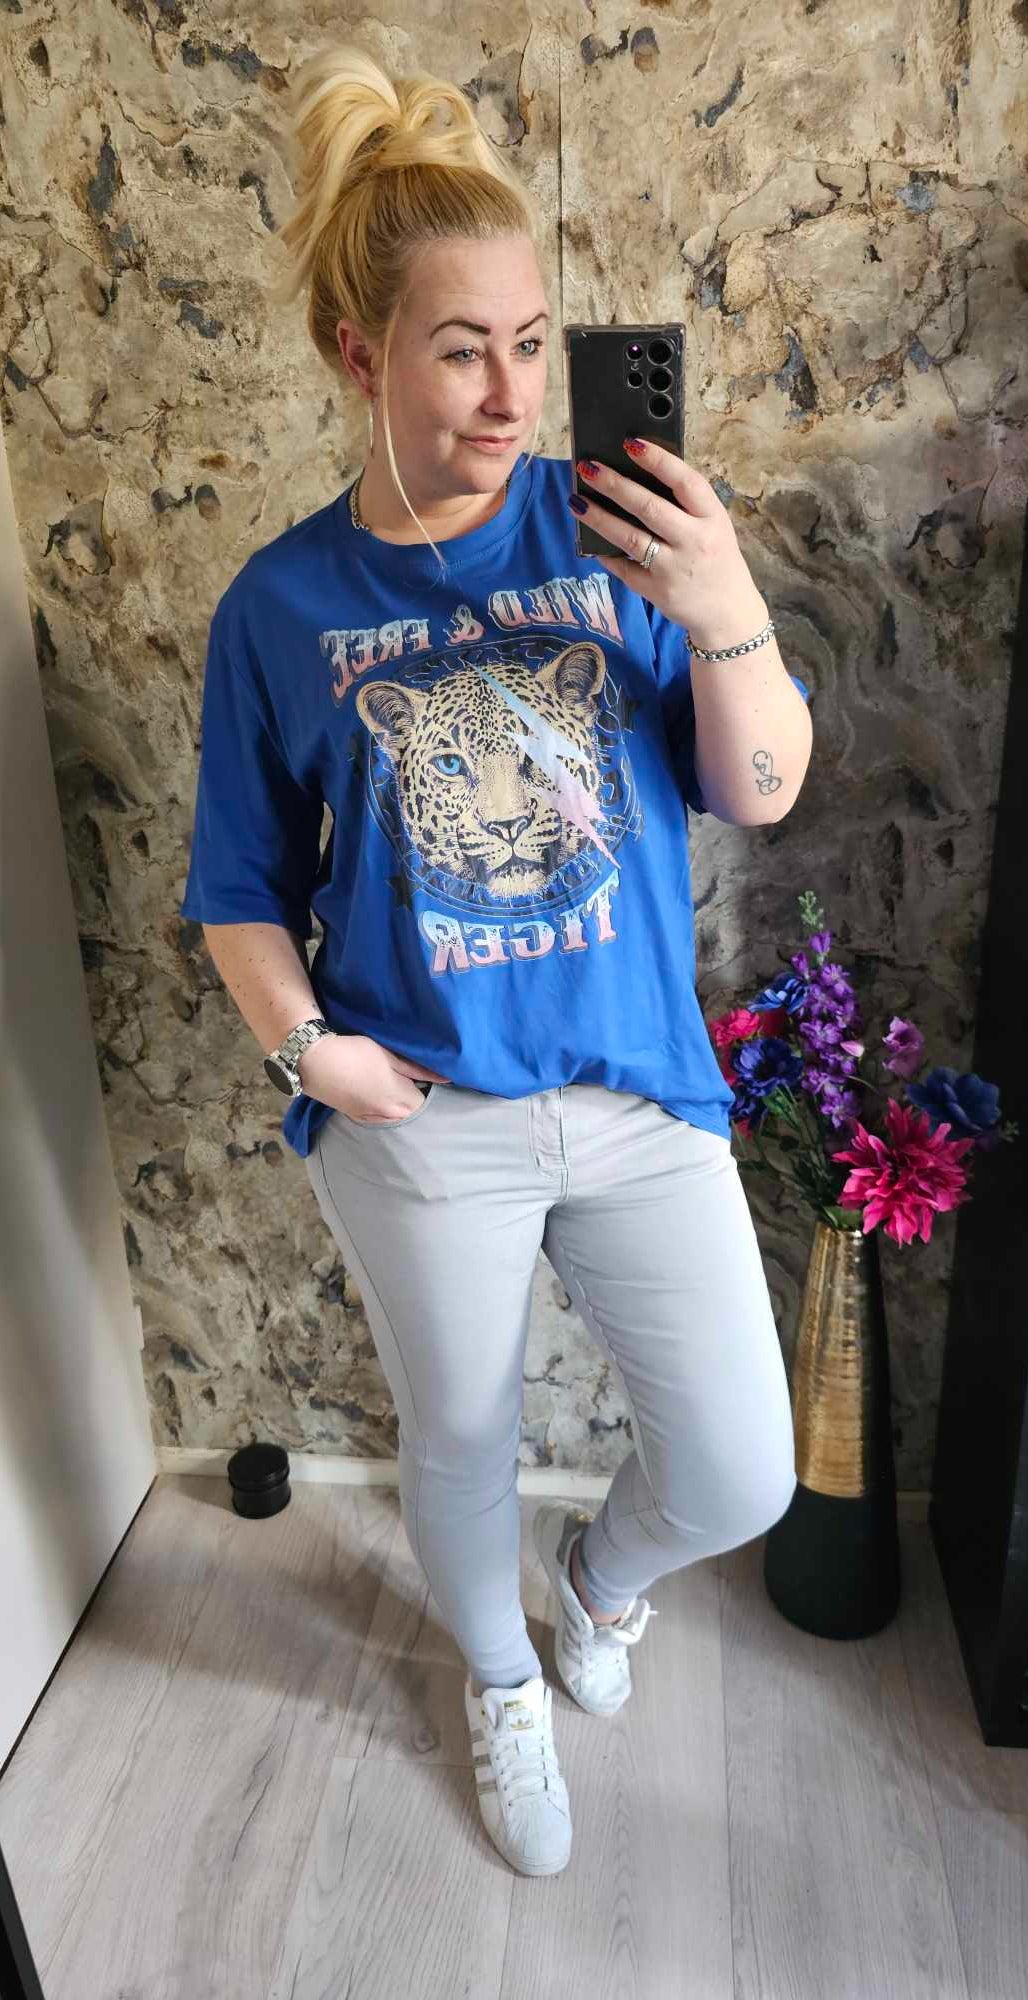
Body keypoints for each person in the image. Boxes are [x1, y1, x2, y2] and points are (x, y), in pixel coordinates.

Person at [179, 44, 813, 1880]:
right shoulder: (281, 608)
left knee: (741, 1469)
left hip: (634, 1086)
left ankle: (598, 1586)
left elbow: (761, 790)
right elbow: (236, 891)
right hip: (424, 1110)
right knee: (455, 1440)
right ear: (358, 354)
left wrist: (725, 607)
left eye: (533, 343)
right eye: (463, 350)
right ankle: (503, 1681)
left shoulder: (614, 530)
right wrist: (313, 1054)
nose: (513, 393)